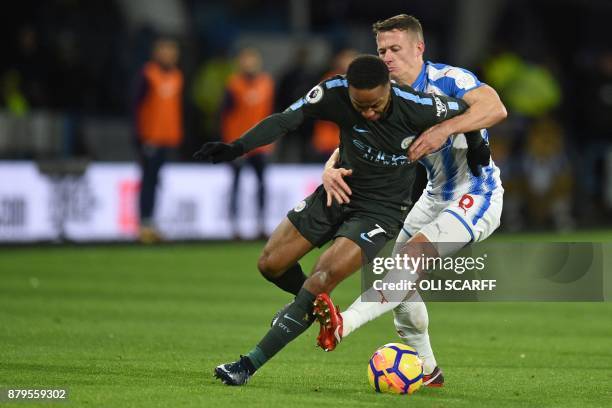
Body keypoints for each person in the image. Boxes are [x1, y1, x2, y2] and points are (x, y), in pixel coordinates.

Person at [194, 55, 490, 386]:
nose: (368, 113)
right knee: (270, 263)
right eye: (360, 106)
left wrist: (478, 148)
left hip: (379, 212)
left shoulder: (417, 105)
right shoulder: (332, 92)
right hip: (337, 192)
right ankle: (308, 307)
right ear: (348, 91)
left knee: (321, 276)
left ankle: (247, 365)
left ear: (388, 90)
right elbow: (285, 120)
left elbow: (466, 111)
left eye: (375, 105)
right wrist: (237, 147)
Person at [314, 14, 507, 387]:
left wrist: (443, 130)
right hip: (434, 196)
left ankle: (344, 325)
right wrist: (330, 168)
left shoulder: (451, 80)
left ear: (419, 48)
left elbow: (495, 108)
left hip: (477, 194)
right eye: (381, 50)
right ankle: (428, 369)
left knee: (407, 261)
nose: (387, 57)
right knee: (399, 281)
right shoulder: (384, 96)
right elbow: (351, 139)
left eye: (395, 49)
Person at [220, 47, 275, 238]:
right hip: (239, 144)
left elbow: (271, 114)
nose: (249, 64)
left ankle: (261, 223)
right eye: (245, 60)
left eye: (252, 60)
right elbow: (224, 116)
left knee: (261, 185)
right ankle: (234, 226)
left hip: (261, 145)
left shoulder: (266, 83)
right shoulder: (234, 85)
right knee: (236, 184)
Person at [134, 38, 183, 243]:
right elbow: (135, 105)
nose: (169, 55)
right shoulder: (148, 75)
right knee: (148, 180)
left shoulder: (177, 76)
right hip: (150, 138)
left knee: (156, 181)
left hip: (167, 137)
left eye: (172, 51)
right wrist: (140, 136)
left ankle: (152, 223)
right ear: (156, 53)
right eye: (165, 51)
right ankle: (144, 224)